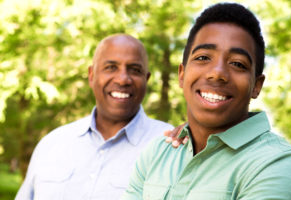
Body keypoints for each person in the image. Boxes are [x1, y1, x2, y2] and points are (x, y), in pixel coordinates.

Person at [122, 3, 291, 199]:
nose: (217, 73)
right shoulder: (158, 153)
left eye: (237, 63)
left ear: (256, 85)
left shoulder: (279, 164)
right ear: (182, 75)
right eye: (203, 57)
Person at [15, 34, 174, 200]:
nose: (122, 79)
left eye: (134, 70)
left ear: (146, 79)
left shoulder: (170, 147)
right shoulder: (52, 144)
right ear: (91, 75)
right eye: (111, 67)